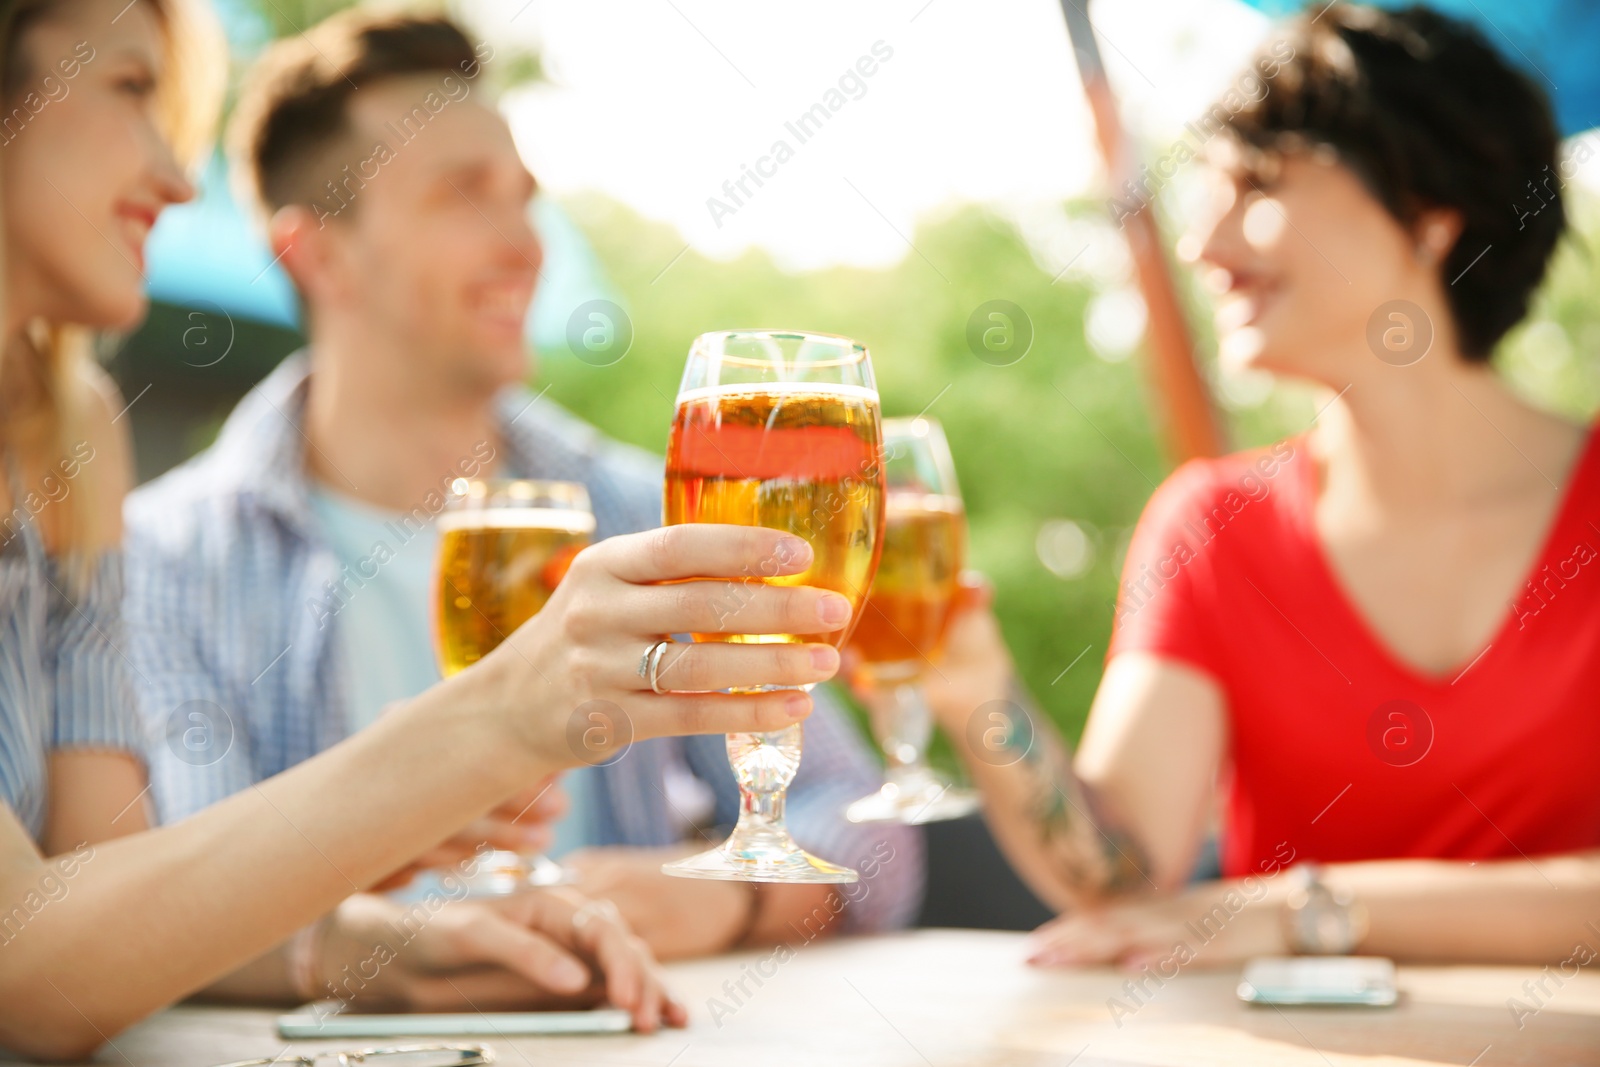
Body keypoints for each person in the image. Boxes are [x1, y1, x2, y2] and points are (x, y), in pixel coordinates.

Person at [0, 0, 854, 1058]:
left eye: (523, 198)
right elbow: (73, 946)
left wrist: (723, 903)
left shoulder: (636, 507)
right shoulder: (170, 549)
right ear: (319, 255)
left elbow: (852, 811)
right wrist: (465, 767)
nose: (523, 244)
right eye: (462, 194)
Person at [906, 4, 1600, 966]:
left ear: (1433, 214)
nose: (1201, 243)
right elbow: (1124, 872)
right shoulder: (1211, 524)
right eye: (1207, 188)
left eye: (1257, 184)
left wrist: (1301, 909)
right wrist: (975, 685)